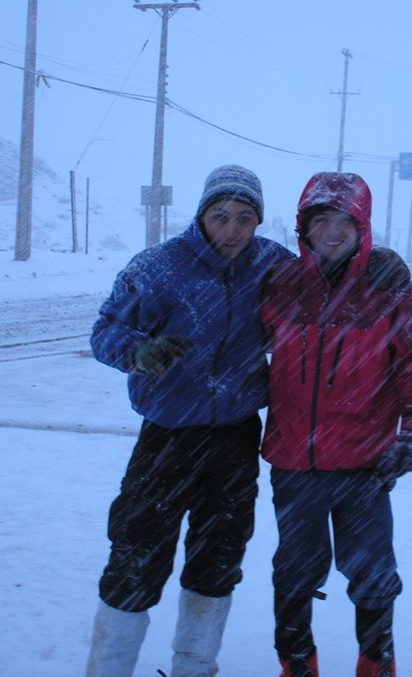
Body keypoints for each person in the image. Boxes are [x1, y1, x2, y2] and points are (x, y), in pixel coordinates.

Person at [84, 164, 293, 677]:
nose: (232, 230)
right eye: (221, 216)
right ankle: (107, 669)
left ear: (258, 222)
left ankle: (195, 666)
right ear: (201, 214)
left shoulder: (272, 266)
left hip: (236, 436)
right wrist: (141, 351)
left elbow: (331, 287)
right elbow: (104, 332)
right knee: (137, 554)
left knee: (219, 555)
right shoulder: (159, 267)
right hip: (168, 437)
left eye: (245, 218)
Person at [260, 172, 412, 677]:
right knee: (294, 572)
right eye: (322, 220)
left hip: (364, 464)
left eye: (345, 221)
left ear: (362, 228)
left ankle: (375, 663)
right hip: (294, 461)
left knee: (372, 573)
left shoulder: (385, 286)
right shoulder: (283, 282)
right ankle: (297, 664)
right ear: (305, 228)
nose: (333, 231)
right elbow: (238, 345)